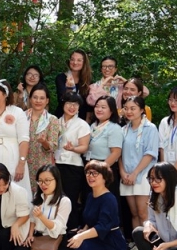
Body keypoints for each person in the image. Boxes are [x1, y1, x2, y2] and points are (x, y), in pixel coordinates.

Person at [68, 160, 127, 250]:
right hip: (96, 239)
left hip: (111, 243)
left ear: (105, 177)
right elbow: (90, 219)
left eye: (95, 173)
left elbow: (103, 226)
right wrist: (83, 230)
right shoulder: (90, 196)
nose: (90, 176)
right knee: (69, 243)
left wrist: (81, 236)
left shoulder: (109, 199)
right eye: (88, 173)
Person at [12, 164, 72, 250]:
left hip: (56, 241)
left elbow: (57, 229)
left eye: (47, 181)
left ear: (57, 180)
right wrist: (29, 235)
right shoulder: (38, 197)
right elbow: (33, 220)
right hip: (38, 238)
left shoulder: (64, 201)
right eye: (40, 181)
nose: (43, 184)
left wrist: (42, 217)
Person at [120, 96, 159, 250]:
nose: (129, 111)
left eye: (133, 108)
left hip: (143, 176)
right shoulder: (124, 130)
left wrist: (135, 173)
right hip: (127, 177)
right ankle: (138, 246)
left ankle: (149, 248)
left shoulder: (151, 128)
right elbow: (119, 153)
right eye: (126, 108)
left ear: (142, 110)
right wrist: (123, 173)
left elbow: (150, 153)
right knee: (134, 213)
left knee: (144, 213)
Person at [54, 93, 91, 230]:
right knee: (55, 198)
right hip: (56, 164)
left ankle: (72, 230)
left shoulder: (82, 124)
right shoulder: (56, 122)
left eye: (75, 104)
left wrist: (73, 148)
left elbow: (84, 147)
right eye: (69, 103)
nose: (72, 107)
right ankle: (57, 229)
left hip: (73, 166)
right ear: (63, 104)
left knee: (70, 199)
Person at [85, 96, 123, 201]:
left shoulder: (114, 128)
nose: (99, 109)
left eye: (103, 107)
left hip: (105, 169)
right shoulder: (93, 126)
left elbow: (116, 153)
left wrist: (100, 170)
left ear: (111, 110)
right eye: (97, 106)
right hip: (90, 167)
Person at [25, 84, 60, 195]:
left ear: (47, 100)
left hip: (43, 164)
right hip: (24, 164)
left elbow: (53, 146)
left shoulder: (52, 119)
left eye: (42, 98)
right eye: (35, 97)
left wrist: (44, 142)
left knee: (42, 196)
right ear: (30, 99)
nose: (38, 101)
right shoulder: (22, 116)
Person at [55, 49, 92, 121]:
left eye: (79, 60)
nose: (75, 62)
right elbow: (62, 100)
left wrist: (87, 123)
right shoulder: (61, 78)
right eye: (72, 59)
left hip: (81, 120)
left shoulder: (87, 81)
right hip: (63, 118)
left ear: (84, 62)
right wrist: (69, 88)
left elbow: (88, 106)